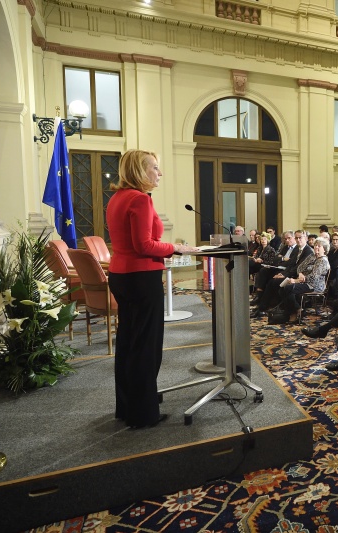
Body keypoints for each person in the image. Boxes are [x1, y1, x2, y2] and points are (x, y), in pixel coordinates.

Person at [106, 150, 198, 429]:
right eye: (155, 168)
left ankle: (127, 407)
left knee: (128, 342)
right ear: (139, 170)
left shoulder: (117, 198)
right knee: (146, 346)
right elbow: (144, 245)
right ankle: (144, 414)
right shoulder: (140, 199)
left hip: (120, 276)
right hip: (141, 277)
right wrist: (177, 247)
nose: (160, 173)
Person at [274, 237, 331, 324]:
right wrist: (300, 274)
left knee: (288, 288)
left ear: (324, 249)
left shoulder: (323, 261)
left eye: (319, 246)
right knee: (282, 288)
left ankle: (293, 313)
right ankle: (298, 310)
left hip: (314, 285)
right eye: (315, 245)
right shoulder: (312, 256)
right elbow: (300, 267)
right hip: (305, 282)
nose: (316, 247)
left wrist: (296, 281)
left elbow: (313, 277)